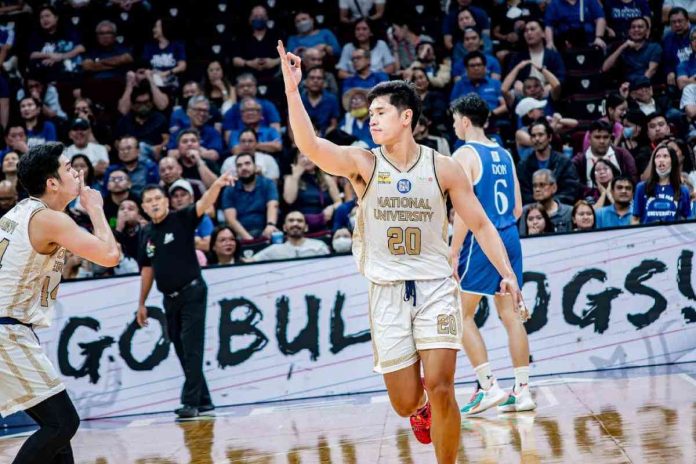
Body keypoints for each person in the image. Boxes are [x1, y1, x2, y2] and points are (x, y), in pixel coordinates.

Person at [277, 41, 523, 463]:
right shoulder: (364, 163)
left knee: (444, 385)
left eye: (380, 113)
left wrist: (508, 272)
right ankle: (419, 409)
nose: (371, 120)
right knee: (405, 401)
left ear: (406, 117)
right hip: (387, 291)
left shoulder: (444, 166)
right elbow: (312, 147)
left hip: (434, 286)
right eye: (369, 114)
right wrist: (292, 91)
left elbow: (481, 223)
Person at [1, 142, 119, 463]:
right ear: (52, 183)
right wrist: (94, 207)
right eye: (68, 168)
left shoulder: (20, 212)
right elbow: (110, 256)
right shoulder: (49, 220)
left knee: (57, 433)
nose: (76, 172)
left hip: (13, 330)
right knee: (62, 423)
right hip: (5, 333)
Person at [449, 94, 534, 417]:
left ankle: (488, 387)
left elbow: (462, 211)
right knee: (510, 316)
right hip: (509, 236)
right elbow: (516, 207)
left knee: (461, 315)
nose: (455, 125)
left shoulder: (464, 154)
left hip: (481, 239)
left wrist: (454, 249)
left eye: (456, 120)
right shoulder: (504, 154)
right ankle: (522, 391)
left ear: (465, 121)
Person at [136, 172, 234, 419]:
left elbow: (203, 204)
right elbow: (147, 269)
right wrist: (142, 303)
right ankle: (204, 399)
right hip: (169, 298)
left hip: (193, 292)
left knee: (192, 347)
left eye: (158, 198)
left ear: (166, 201)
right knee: (180, 349)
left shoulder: (181, 219)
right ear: (144, 207)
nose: (155, 203)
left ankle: (189, 402)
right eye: (149, 200)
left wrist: (218, 185)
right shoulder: (146, 234)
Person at [517, 119, 580, 205]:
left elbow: (570, 191)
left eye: (540, 135)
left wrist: (551, 204)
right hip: (533, 211)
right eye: (533, 136)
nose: (537, 139)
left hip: (559, 208)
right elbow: (523, 194)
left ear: (549, 137)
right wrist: (540, 206)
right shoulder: (523, 165)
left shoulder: (564, 162)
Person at [221, 152, 279, 240]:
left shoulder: (267, 183)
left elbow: (273, 205)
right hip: (240, 234)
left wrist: (270, 225)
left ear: (255, 167)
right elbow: (231, 220)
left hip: (265, 230)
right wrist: (249, 239)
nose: (243, 168)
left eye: (247, 164)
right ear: (236, 170)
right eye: (239, 165)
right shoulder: (230, 189)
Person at [631, 144, 692, 224]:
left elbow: (686, 219)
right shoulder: (641, 187)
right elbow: (635, 219)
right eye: (657, 156)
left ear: (672, 161)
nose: (661, 160)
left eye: (665, 156)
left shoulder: (683, 190)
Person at [248, 211, 330, 261]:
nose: (295, 224)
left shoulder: (319, 246)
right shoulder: (274, 249)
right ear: (284, 227)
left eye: (300, 221)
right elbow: (250, 263)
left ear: (306, 227)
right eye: (291, 221)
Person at [519, 169, 573, 233]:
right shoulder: (526, 211)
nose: (537, 189)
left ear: (554, 187)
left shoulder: (568, 212)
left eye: (542, 185)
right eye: (534, 186)